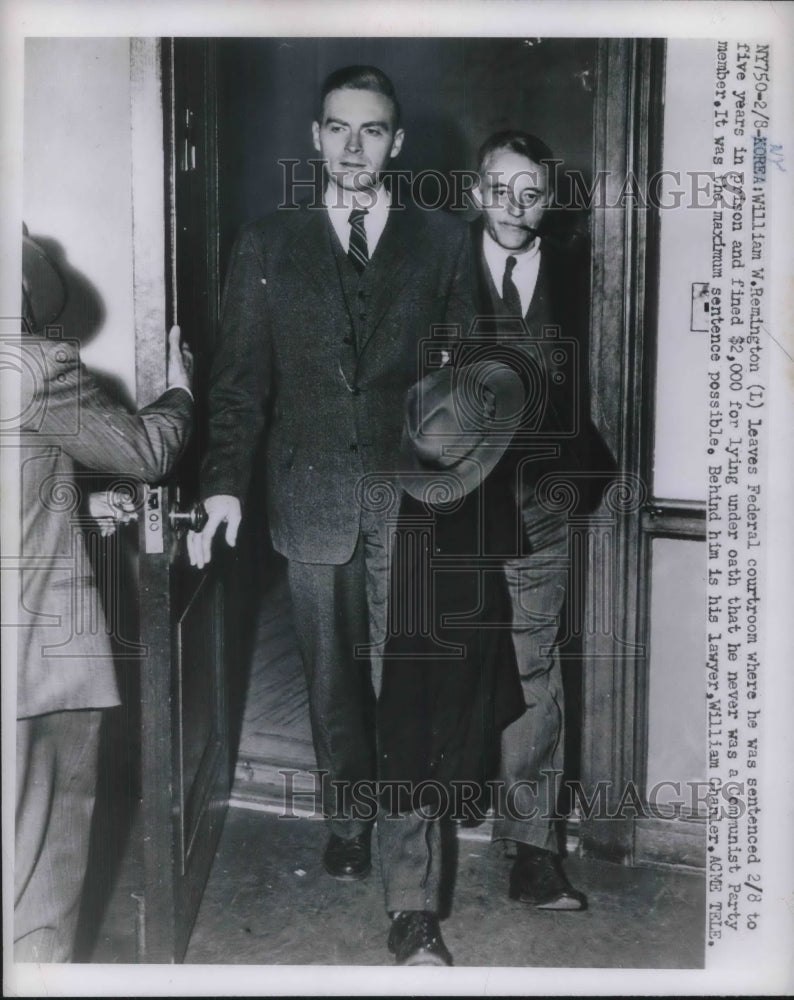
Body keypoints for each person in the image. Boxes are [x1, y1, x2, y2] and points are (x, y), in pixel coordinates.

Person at [187, 66, 473, 900]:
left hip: (411, 500)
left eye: (372, 130)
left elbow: (464, 389)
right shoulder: (266, 243)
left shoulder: (445, 242)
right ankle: (346, 819)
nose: (354, 147)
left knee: (406, 675)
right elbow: (240, 385)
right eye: (338, 129)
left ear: (397, 142)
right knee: (331, 675)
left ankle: (405, 839)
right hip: (309, 495)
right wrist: (223, 484)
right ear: (315, 138)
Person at [13, 232, 194, 962]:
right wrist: (181, 387)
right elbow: (148, 451)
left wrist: (76, 508)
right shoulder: (33, 365)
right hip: (34, 666)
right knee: (37, 881)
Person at [469, 131, 616, 911]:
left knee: (533, 674)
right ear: (475, 193)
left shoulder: (584, 275)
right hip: (448, 513)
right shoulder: (434, 268)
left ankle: (532, 850)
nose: (514, 206)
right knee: (442, 667)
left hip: (538, 510)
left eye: (531, 192)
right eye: (500, 189)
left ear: (548, 201)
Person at [377, 358, 527, 965]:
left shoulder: (465, 492)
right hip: (430, 584)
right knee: (414, 727)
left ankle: (414, 894)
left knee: (434, 717)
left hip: (449, 570)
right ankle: (411, 909)